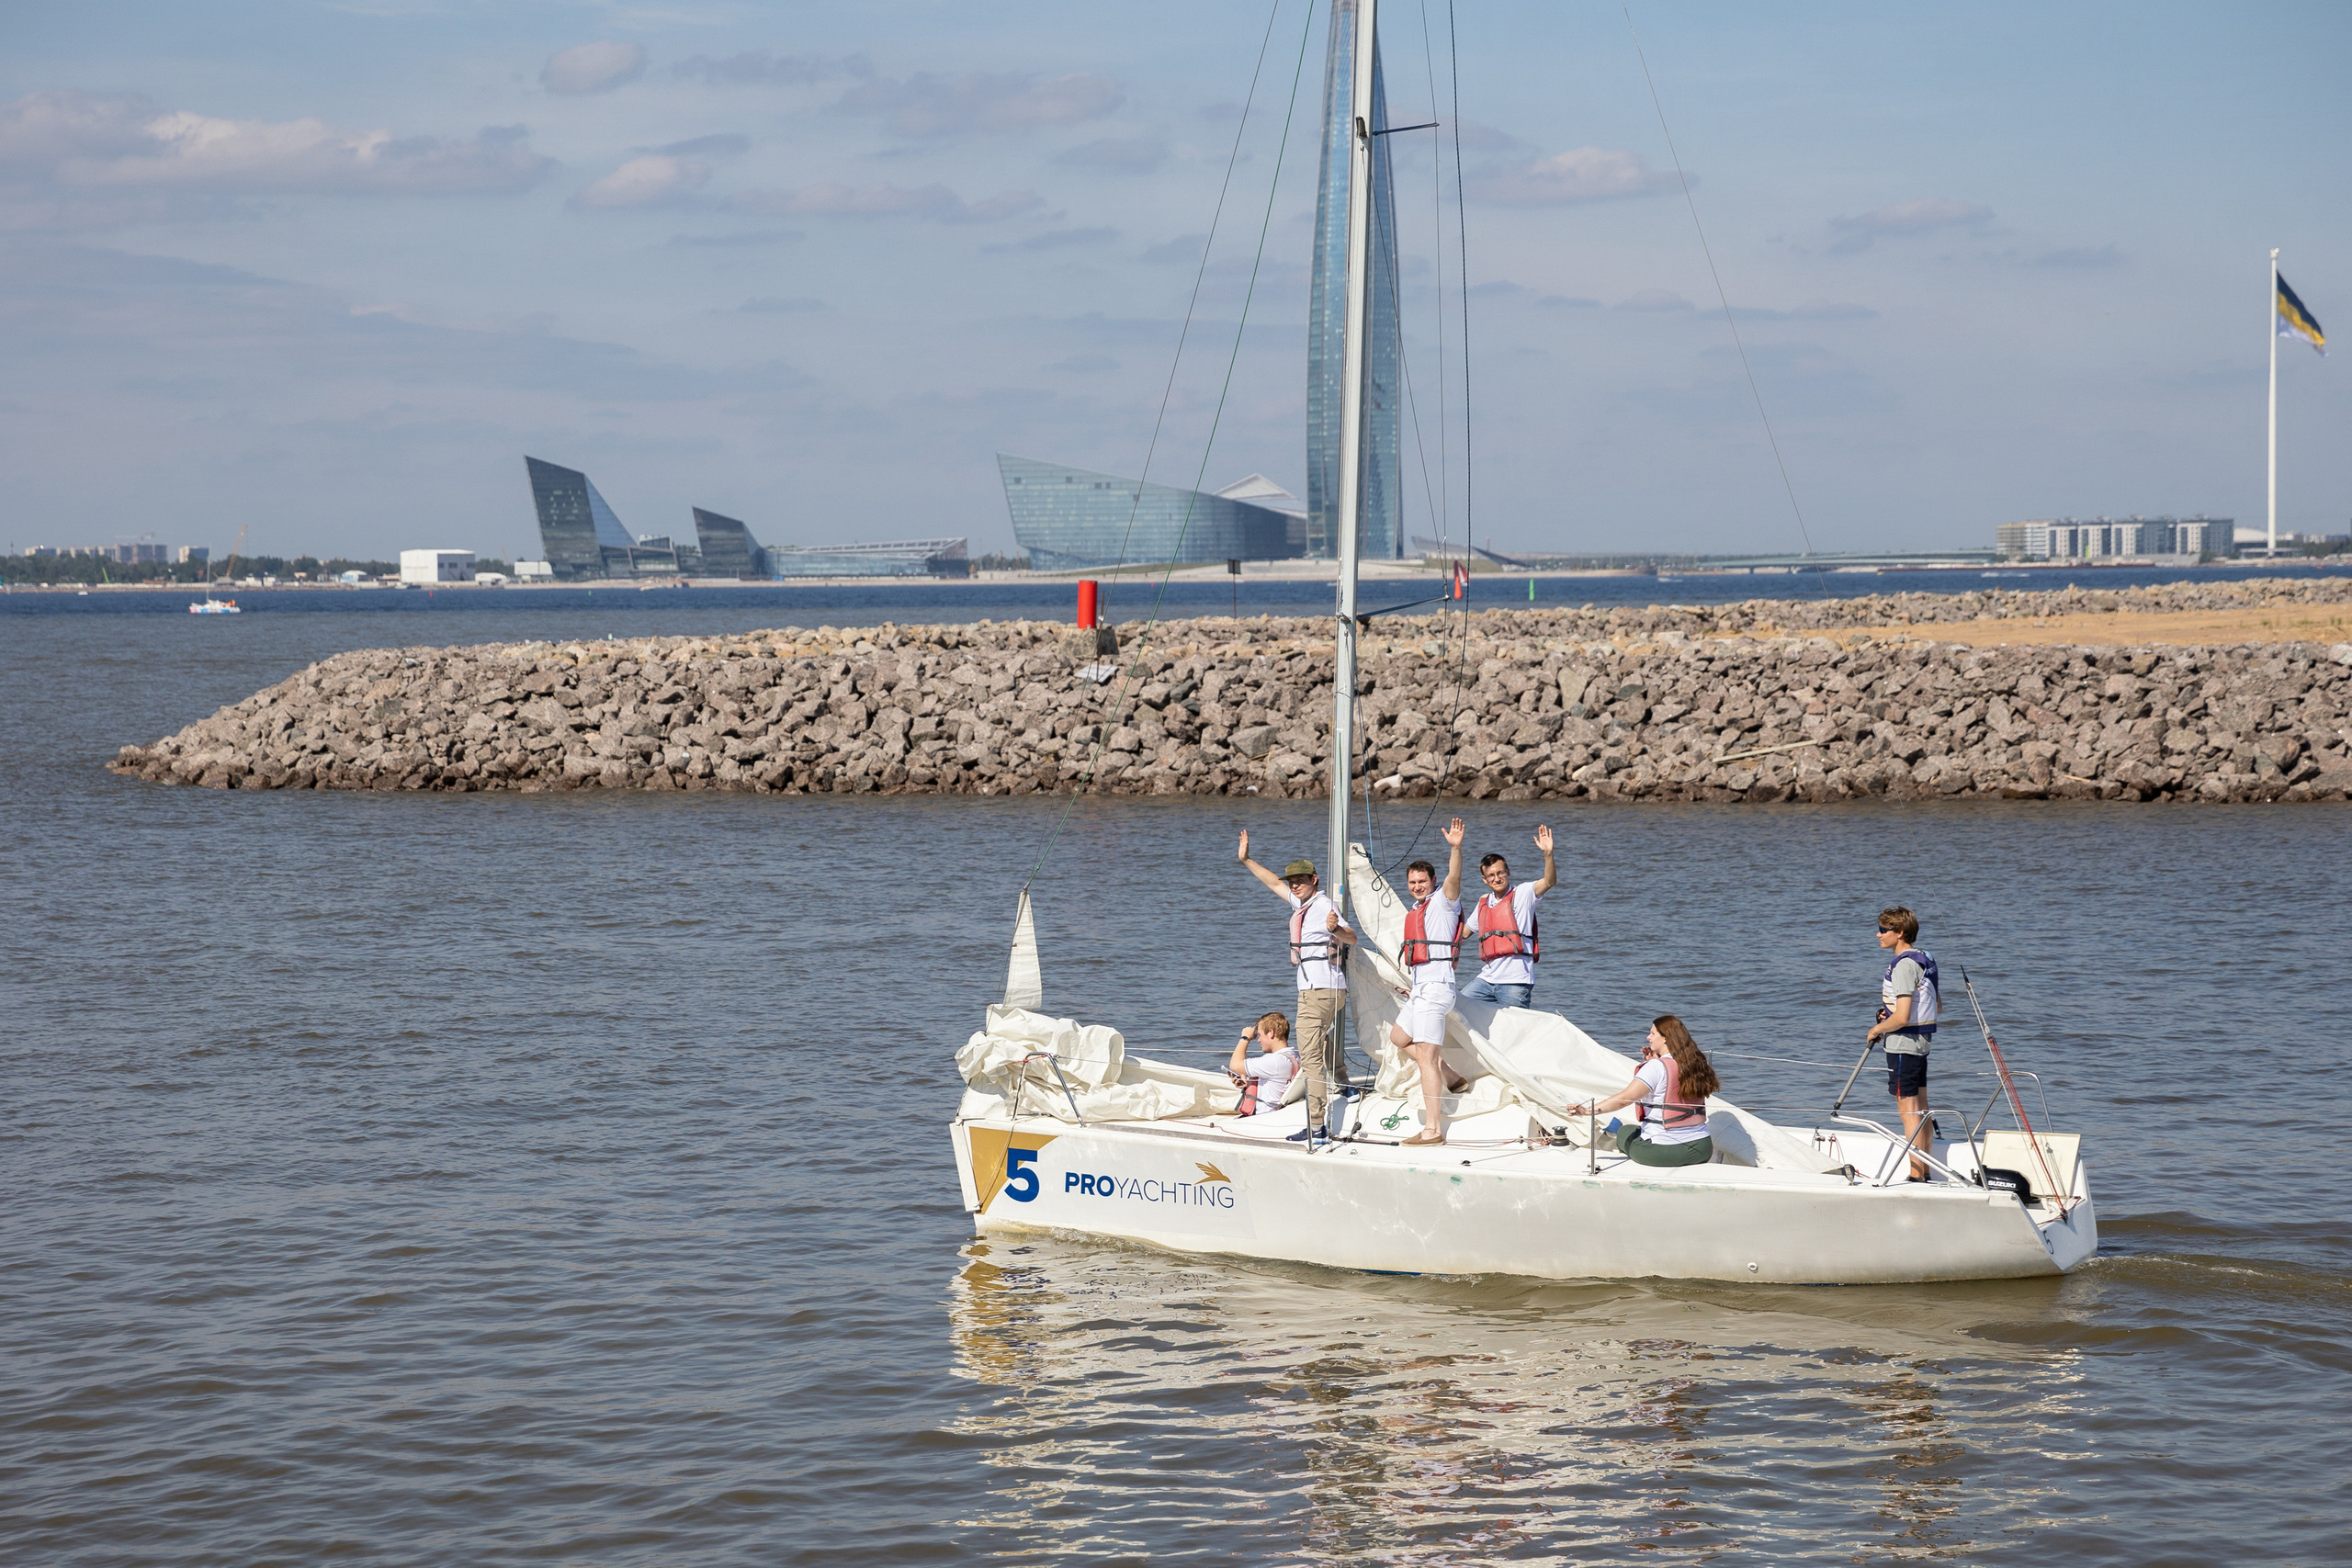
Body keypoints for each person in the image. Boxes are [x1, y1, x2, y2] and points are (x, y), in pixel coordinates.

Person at [1238, 830, 1356, 1144]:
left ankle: (1317, 1127)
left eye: (1300, 880)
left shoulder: (1322, 905)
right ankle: (1345, 1084)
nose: (1294, 885)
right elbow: (1273, 883)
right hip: (1322, 991)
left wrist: (1337, 928)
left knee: (1310, 1056)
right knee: (1317, 1040)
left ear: (1314, 879)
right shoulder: (1302, 903)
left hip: (1319, 991)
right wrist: (1247, 859)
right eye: (1292, 881)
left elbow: (1351, 937)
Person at [1386, 818, 1466, 1146]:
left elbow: (1454, 877)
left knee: (1426, 1058)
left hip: (1437, 990)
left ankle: (1433, 1130)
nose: (1418, 886)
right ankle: (1452, 1077)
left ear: (1433, 881)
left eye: (1422, 881)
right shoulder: (1415, 910)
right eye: (1413, 882)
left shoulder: (1443, 902)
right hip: (1421, 989)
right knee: (1399, 1037)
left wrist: (1456, 848)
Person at [1565, 1015, 1720, 1168]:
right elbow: (1672, 1079)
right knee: (1633, 1130)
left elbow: (1624, 1099)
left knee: (1624, 1133)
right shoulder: (1696, 1064)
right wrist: (1655, 1061)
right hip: (1702, 1148)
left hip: (1666, 1151)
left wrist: (1587, 1111)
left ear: (1665, 1038)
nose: (1648, 1037)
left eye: (1652, 1033)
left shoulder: (1656, 1067)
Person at [1866, 905, 1939, 1181]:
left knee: (1907, 1110)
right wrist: (1891, 1012)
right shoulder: (1924, 959)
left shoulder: (1903, 966)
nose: (1878, 935)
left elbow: (1904, 1016)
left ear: (1900, 933)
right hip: (1920, 1043)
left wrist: (1878, 1028)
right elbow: (1935, 1005)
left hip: (1903, 1046)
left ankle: (1916, 1175)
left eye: (1884, 930)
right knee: (1921, 1107)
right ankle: (1926, 1171)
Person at [1461, 824, 1556, 1009]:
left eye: (1500, 873)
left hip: (1516, 982)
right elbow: (1463, 933)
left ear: (1508, 872)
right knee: (1457, 1008)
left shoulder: (1524, 893)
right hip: (1486, 980)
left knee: (1517, 1031)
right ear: (1484, 879)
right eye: (1491, 875)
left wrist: (1548, 854)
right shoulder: (1483, 902)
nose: (1496, 878)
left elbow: (1550, 881)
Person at [1226, 1012, 1300, 1116]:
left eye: (1260, 1035)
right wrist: (1248, 1085)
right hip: (1279, 1112)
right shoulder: (1294, 1057)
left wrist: (1245, 1038)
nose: (1259, 1040)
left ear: (1271, 1032)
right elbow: (1277, 1084)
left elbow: (1235, 1065)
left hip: (1264, 1117)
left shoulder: (1274, 1060)